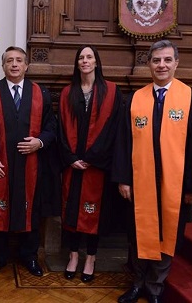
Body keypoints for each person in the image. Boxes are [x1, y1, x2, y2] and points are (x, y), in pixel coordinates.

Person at [112, 40, 192, 303]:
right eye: (156, 60)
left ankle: (155, 286)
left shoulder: (191, 98)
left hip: (175, 182)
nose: (162, 65)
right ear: (149, 64)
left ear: (176, 63)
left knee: (168, 233)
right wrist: (123, 179)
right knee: (139, 232)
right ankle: (137, 283)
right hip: (141, 179)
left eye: (167, 60)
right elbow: (123, 143)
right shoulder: (135, 99)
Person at [0, 46, 58, 277]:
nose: (14, 64)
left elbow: (51, 127)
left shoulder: (40, 93)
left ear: (26, 66)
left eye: (19, 60)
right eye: (9, 60)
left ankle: (29, 256)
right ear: (3, 66)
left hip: (30, 165)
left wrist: (39, 142)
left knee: (30, 209)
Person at [58, 45, 122, 283]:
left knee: (94, 213)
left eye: (89, 57)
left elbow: (114, 130)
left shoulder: (112, 92)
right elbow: (61, 129)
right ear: (77, 63)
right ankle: (73, 256)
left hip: (98, 167)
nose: (85, 61)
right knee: (72, 211)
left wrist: (93, 157)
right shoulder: (67, 93)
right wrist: (71, 158)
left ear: (96, 62)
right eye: (81, 58)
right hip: (73, 166)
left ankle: (91, 258)